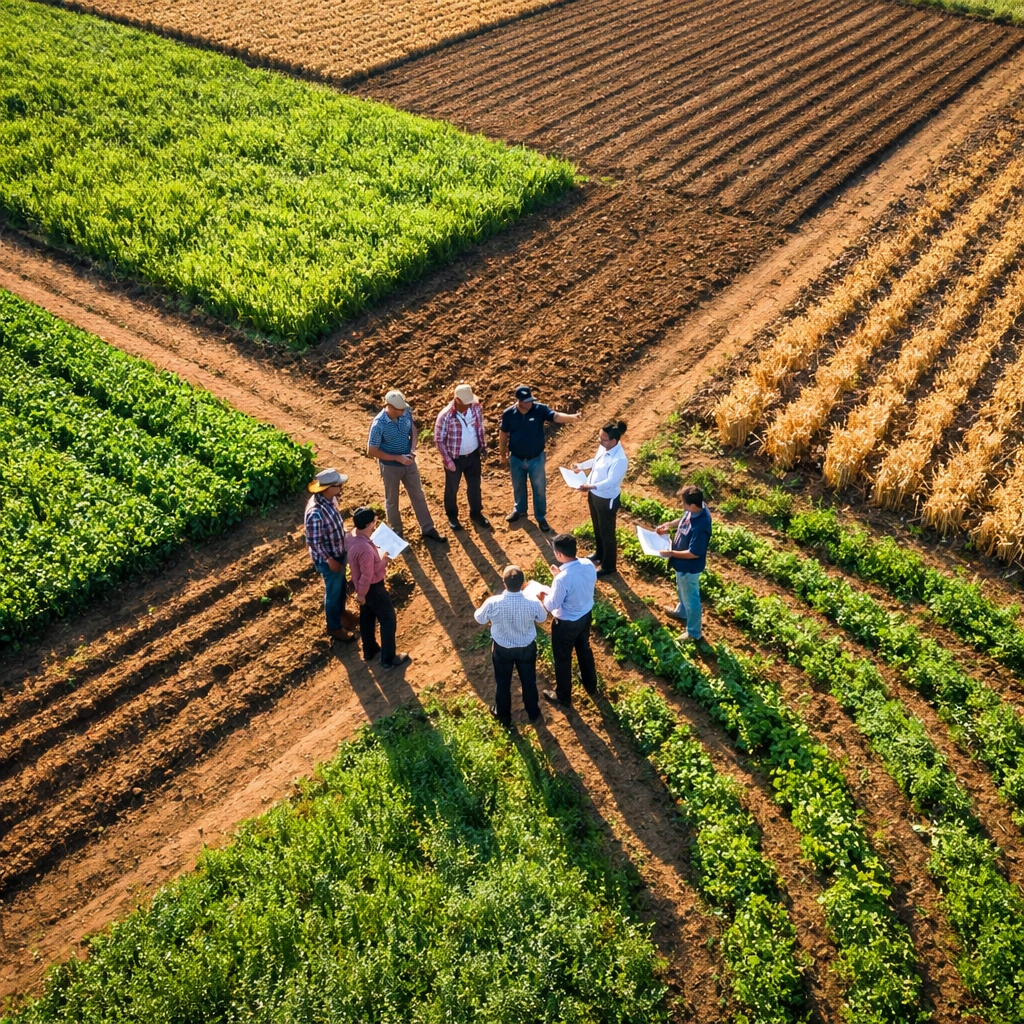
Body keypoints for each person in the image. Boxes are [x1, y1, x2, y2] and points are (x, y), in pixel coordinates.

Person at [498, 384, 581, 532]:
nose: (530, 403)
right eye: (526, 401)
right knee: (518, 486)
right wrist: (503, 456)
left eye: (531, 400)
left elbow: (555, 416)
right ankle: (520, 510)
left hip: (536, 458)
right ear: (518, 401)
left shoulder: (539, 410)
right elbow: (503, 435)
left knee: (539, 489)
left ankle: (541, 517)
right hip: (516, 458)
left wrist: (572, 418)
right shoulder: (508, 414)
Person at [367, 389, 445, 543]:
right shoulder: (378, 424)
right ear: (388, 406)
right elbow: (372, 451)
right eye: (399, 409)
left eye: (403, 408)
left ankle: (428, 528)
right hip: (390, 467)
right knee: (392, 500)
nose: (402, 411)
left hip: (408, 462)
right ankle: (397, 533)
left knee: (418, 495)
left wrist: (412, 449)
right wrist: (397, 458)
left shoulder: (405, 411)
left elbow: (413, 430)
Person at [474, 564, 547, 726]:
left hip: (502, 649)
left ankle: (504, 716)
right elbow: (542, 618)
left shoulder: (493, 602)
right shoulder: (532, 602)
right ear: (523, 583)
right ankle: (533, 713)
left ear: (503, 582)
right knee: (529, 681)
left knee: (503, 682)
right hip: (526, 648)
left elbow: (479, 618)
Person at [348, 506, 410, 669]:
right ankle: (388, 659)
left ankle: (369, 650)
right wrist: (385, 560)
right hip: (373, 588)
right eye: (374, 521)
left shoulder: (351, 537)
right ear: (368, 524)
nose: (375, 524)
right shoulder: (366, 549)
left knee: (367, 618)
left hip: (362, 588)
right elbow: (369, 574)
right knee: (388, 620)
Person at [540, 533, 598, 709]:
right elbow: (579, 581)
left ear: (558, 554)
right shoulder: (588, 564)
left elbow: (552, 604)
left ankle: (563, 696)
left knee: (563, 658)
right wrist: (559, 574)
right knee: (584, 648)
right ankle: (590, 683)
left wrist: (543, 596)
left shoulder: (562, 579)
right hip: (585, 616)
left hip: (566, 624)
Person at [304, 467, 356, 642]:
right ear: (327, 488)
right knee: (333, 593)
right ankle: (334, 627)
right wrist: (330, 560)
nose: (341, 487)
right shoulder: (315, 513)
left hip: (338, 551)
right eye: (338, 485)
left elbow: (335, 524)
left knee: (340, 587)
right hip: (329, 559)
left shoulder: (331, 500)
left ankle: (342, 614)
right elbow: (313, 542)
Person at [657, 485, 712, 641]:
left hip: (689, 568)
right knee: (682, 590)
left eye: (684, 503)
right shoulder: (697, 507)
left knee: (691, 598)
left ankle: (694, 633)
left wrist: (671, 553)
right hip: (680, 565)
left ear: (693, 505)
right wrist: (669, 525)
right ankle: (682, 611)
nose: (683, 506)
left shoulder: (701, 525)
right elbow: (684, 516)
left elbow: (694, 553)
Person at [574, 420, 629, 578]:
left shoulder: (620, 459)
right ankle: (599, 554)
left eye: (603, 439)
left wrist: (590, 487)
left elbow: (611, 482)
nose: (600, 441)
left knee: (607, 533)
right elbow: (595, 461)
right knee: (597, 527)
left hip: (607, 500)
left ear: (613, 441)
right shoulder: (604, 447)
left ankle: (609, 565)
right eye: (600, 437)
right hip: (594, 496)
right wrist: (581, 466)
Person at [434, 382, 492, 531]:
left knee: (474, 486)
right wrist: (447, 460)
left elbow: (479, 427)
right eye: (465, 403)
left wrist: (482, 446)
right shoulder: (445, 416)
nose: (468, 406)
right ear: (457, 400)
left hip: (473, 455)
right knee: (452, 488)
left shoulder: (475, 407)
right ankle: (452, 516)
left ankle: (476, 513)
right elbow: (439, 440)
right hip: (455, 458)